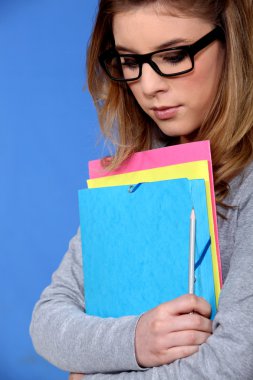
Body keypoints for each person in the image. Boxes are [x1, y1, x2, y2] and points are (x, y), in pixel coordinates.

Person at [30, 0, 253, 379]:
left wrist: (92, 374)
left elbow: (234, 363)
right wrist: (134, 340)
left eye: (174, 55)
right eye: (130, 63)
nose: (149, 86)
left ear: (233, 42)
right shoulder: (139, 176)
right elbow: (47, 319)